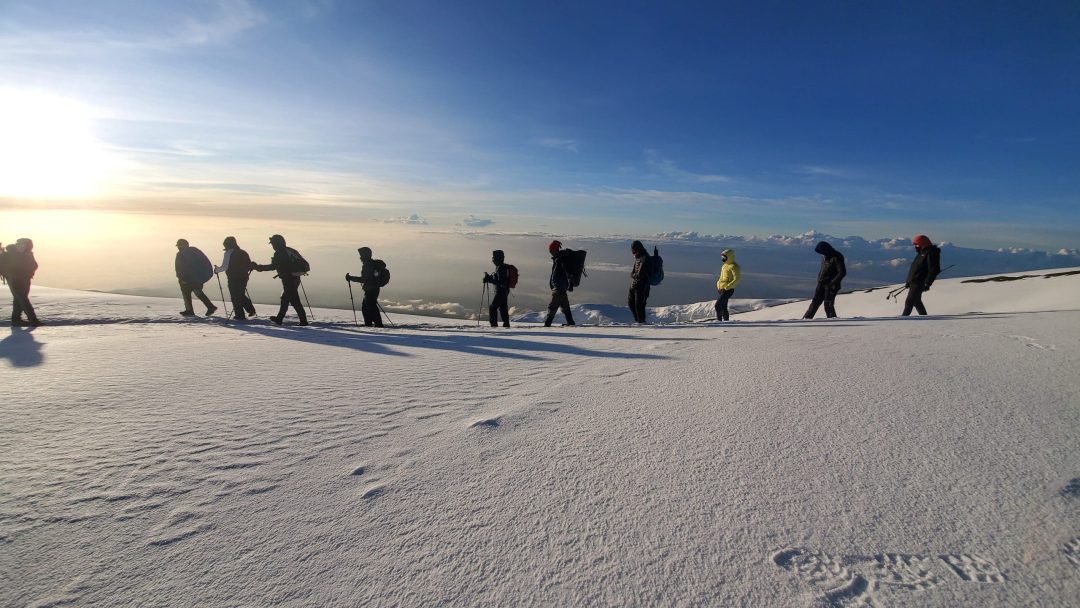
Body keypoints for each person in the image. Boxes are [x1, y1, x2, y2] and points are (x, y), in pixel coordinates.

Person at [252, 234, 308, 326]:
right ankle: (279, 318)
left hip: (288, 279)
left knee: (294, 300)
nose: (272, 246)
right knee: (285, 299)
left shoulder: (279, 252)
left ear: (277, 244)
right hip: (295, 278)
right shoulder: (290, 250)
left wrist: (257, 267)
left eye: (273, 244)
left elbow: (273, 266)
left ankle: (303, 321)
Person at [214, 236, 257, 321]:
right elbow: (248, 265)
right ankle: (251, 310)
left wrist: (216, 270)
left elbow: (225, 267)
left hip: (233, 277)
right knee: (240, 294)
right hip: (244, 277)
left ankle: (239, 315)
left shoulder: (228, 253)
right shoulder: (243, 252)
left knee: (235, 296)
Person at [2, 238, 43, 326]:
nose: (21, 246)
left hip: (25, 279)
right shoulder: (10, 254)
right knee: (23, 299)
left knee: (18, 299)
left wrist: (29, 271)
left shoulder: (28, 254)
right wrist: (12, 274)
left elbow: (34, 264)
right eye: (20, 244)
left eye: (25, 245)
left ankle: (16, 319)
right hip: (14, 280)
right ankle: (33, 320)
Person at [803, 241, 847, 319]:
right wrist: (819, 280)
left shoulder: (836, 256)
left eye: (821, 252)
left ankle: (833, 322)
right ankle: (805, 320)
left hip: (831, 286)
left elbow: (842, 272)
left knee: (828, 305)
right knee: (815, 303)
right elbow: (823, 270)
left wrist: (832, 283)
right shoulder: (825, 256)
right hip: (821, 284)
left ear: (826, 250)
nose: (821, 254)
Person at [174, 239, 217, 317]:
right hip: (197, 277)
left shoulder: (181, 254)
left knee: (186, 293)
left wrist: (181, 278)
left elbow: (180, 268)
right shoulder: (194, 251)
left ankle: (189, 310)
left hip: (187, 278)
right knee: (197, 291)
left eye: (179, 245)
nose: (178, 247)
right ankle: (210, 306)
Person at [902, 235, 941, 316]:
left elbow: (934, 270)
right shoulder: (921, 253)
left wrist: (927, 283)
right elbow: (915, 269)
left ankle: (903, 318)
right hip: (914, 282)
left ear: (923, 245)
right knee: (916, 301)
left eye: (917, 245)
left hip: (920, 282)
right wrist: (909, 281)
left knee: (910, 301)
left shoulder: (930, 253)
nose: (916, 247)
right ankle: (924, 317)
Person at [345, 247, 384, 327]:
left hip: (371, 289)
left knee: (369, 306)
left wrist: (351, 278)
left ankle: (377, 324)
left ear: (365, 256)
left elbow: (363, 279)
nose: (360, 258)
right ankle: (371, 324)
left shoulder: (368, 266)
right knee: (367, 306)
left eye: (361, 256)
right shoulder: (370, 265)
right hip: (372, 289)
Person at [544, 240, 575, 327]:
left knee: (553, 306)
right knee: (565, 307)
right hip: (561, 287)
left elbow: (567, 272)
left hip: (559, 287)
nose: (551, 253)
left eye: (551, 251)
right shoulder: (559, 259)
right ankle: (570, 322)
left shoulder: (560, 260)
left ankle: (547, 323)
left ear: (554, 250)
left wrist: (570, 283)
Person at [483, 249, 511, 327]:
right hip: (504, 291)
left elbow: (500, 281)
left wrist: (489, 279)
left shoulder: (501, 268)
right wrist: (489, 278)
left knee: (493, 308)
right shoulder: (502, 267)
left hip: (501, 291)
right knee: (503, 308)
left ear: (498, 258)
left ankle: (494, 325)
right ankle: (506, 325)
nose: (493, 260)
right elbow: (499, 279)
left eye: (494, 258)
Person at [628, 240, 652, 323]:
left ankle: (641, 323)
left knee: (639, 306)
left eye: (633, 250)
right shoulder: (638, 257)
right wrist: (634, 275)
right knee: (631, 304)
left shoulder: (644, 257)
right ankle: (638, 321)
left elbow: (640, 274)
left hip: (642, 286)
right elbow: (634, 272)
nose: (632, 252)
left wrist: (634, 275)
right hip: (635, 286)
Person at [715, 248, 740, 322]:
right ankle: (726, 322)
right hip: (721, 289)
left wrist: (727, 287)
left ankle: (719, 322)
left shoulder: (734, 266)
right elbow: (721, 277)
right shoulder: (724, 266)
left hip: (728, 290)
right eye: (722, 257)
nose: (723, 258)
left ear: (729, 257)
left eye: (724, 257)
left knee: (717, 306)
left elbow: (737, 279)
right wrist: (718, 285)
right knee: (723, 307)